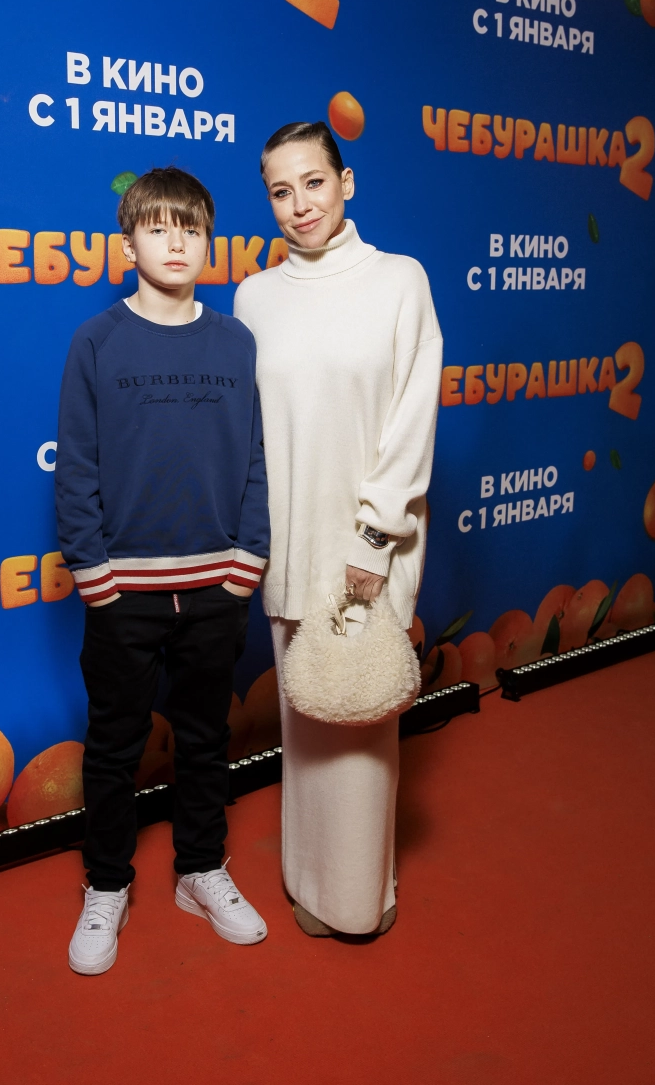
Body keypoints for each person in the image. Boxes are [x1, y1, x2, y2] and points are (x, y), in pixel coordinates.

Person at [56, 166, 270, 974]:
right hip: (124, 592)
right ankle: (107, 883)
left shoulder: (236, 341)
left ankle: (200, 869)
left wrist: (247, 561)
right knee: (114, 745)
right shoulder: (96, 341)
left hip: (217, 586)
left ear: (210, 242)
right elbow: (76, 467)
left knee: (207, 737)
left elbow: (258, 458)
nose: (176, 242)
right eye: (158, 227)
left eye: (191, 228)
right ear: (128, 244)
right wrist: (95, 576)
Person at [234, 122, 442, 937]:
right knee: (306, 724)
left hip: (367, 546)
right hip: (286, 542)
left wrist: (375, 540)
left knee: (359, 725)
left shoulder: (399, 279)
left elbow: (413, 415)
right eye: (280, 191)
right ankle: (307, 880)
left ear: (345, 182)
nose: (300, 204)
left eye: (313, 183)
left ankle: (359, 897)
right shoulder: (254, 296)